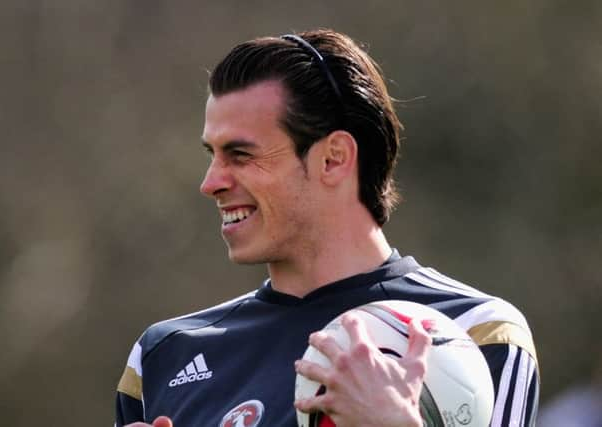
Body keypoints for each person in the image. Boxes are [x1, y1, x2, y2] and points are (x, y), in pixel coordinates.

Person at [115, 29, 539, 427]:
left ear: (333, 158)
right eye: (213, 153)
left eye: (240, 154)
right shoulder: (163, 355)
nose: (211, 183)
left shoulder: (475, 332)